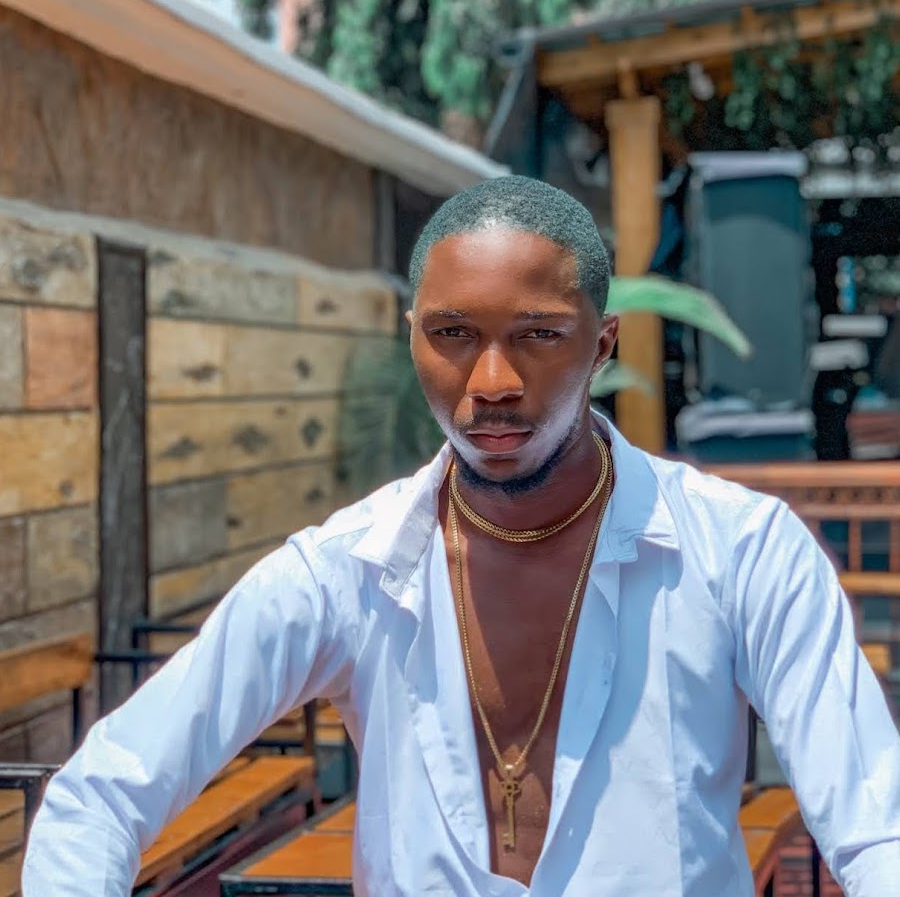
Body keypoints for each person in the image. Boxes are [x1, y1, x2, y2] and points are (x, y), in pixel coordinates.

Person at [23, 176, 900, 895]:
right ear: (413, 338)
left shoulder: (740, 553)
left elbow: (878, 832)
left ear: (602, 346)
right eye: (453, 335)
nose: (491, 381)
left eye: (538, 336)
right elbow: (99, 797)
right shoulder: (346, 572)